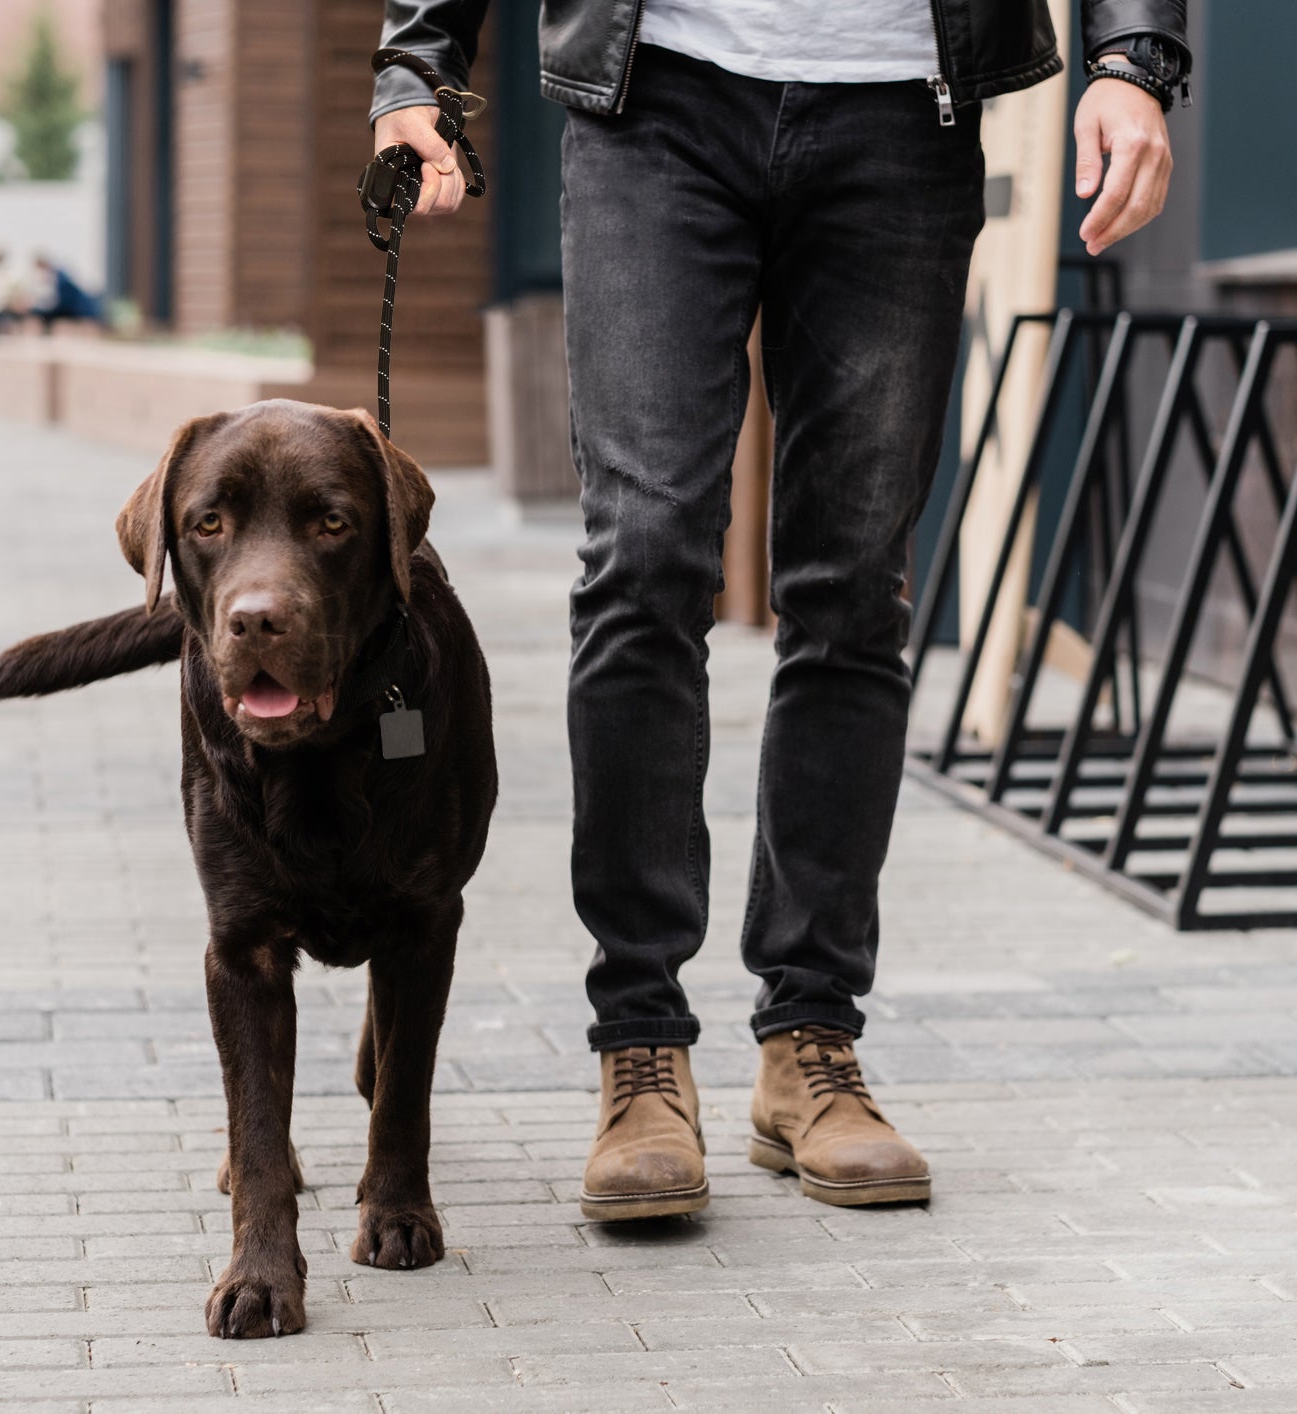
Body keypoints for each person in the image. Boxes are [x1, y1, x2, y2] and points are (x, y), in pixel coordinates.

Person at [374, 0, 1191, 1220]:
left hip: (905, 108)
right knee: (644, 556)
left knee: (854, 586)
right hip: (659, 94)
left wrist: (1134, 57)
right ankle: (639, 1043)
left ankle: (809, 1038)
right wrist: (413, 63)